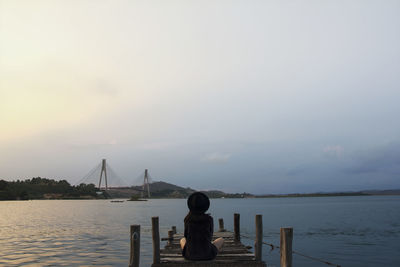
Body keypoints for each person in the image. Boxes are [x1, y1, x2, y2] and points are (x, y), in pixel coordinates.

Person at [180, 192, 224, 261]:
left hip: (189, 255)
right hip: (208, 255)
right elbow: (210, 236)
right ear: (205, 206)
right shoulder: (209, 219)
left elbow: (186, 236)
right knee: (221, 239)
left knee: (182, 240)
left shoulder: (187, 219)